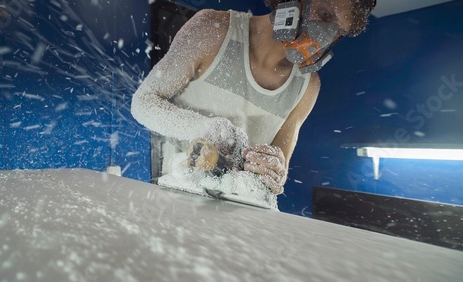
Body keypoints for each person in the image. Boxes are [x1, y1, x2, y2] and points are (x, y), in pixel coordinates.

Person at [131, 0, 376, 209]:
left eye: (337, 31)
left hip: (247, 218)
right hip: (178, 203)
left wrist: (274, 172)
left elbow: (279, 168)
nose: (324, 36)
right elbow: (143, 103)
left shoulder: (307, 85)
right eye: (324, 14)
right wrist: (203, 129)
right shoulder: (211, 29)